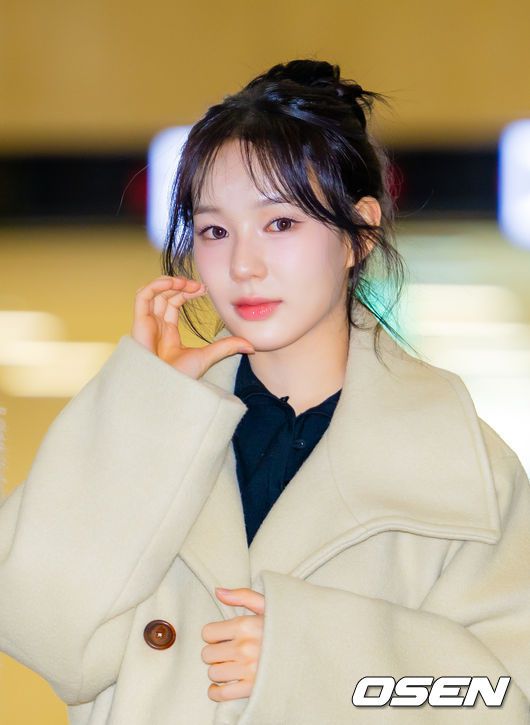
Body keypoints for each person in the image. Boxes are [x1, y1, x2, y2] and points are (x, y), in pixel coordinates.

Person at [1, 58, 529, 724]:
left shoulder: (461, 468)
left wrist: (311, 658)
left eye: (280, 223)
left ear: (359, 233)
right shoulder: (153, 426)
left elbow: (501, 698)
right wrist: (143, 412)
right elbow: (39, 631)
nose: (243, 264)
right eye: (215, 231)